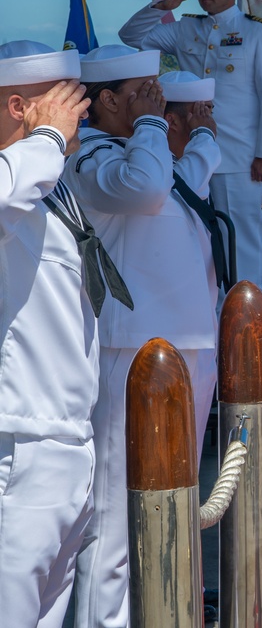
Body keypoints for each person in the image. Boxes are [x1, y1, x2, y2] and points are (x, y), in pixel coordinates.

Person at [62, 46, 219, 627]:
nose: (157, 103)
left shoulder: (143, 154)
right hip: (130, 352)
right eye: (143, 92)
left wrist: (193, 130)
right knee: (114, 517)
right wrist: (154, 124)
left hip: (187, 347)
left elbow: (191, 179)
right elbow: (147, 191)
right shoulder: (91, 159)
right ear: (105, 102)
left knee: (175, 498)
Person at [0, 41, 121, 627]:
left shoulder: (53, 192)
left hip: (70, 442)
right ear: (22, 106)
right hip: (18, 445)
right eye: (69, 102)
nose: (83, 114)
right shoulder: (16, 182)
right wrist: (44, 139)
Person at [119, 0, 262, 292]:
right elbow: (132, 37)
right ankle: (212, 316)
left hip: (237, 157)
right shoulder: (186, 29)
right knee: (197, 235)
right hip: (187, 153)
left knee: (241, 237)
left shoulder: (259, 34)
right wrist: (163, 6)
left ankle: (247, 320)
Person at [160, 70, 225, 464]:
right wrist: (205, 137)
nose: (210, 121)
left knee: (188, 460)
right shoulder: (157, 169)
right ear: (171, 122)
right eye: (200, 114)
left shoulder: (188, 166)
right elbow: (183, 183)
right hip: (163, 340)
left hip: (199, 333)